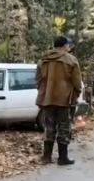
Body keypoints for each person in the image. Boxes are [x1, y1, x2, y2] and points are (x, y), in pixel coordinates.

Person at [36, 36, 82, 166]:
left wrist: (43, 92)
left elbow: (38, 79)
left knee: (49, 126)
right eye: (68, 45)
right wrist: (75, 94)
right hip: (65, 99)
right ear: (64, 46)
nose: (69, 48)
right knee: (64, 127)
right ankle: (63, 158)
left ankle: (46, 157)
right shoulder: (71, 60)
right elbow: (77, 82)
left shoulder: (43, 60)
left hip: (46, 99)